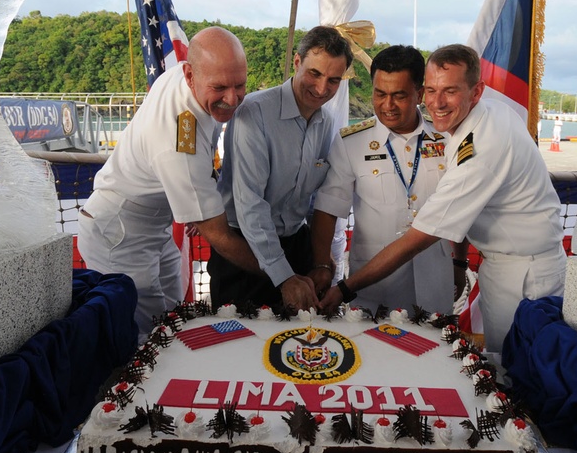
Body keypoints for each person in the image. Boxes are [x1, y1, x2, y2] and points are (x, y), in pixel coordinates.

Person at [320, 44, 567, 353]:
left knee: (514, 366)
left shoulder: (476, 149)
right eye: (434, 90)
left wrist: (344, 288)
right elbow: (328, 209)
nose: (437, 102)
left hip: (521, 275)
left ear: (476, 92)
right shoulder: (487, 116)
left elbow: (422, 235)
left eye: (450, 91)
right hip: (488, 270)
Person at [77, 27, 262, 341]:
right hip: (120, 233)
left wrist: (194, 202)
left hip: (154, 224)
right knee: (144, 336)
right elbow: (217, 234)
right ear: (190, 75)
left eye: (240, 85)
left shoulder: (184, 76)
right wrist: (281, 275)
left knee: (174, 314)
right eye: (220, 87)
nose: (232, 99)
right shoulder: (179, 142)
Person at [208, 25, 353, 310]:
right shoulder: (254, 113)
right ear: (297, 63)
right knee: (236, 348)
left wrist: (321, 258)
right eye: (315, 73)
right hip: (244, 250)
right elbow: (250, 204)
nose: (322, 89)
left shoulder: (326, 124)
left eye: (333, 80)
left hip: (296, 246)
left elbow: (314, 201)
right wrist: (284, 277)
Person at [310, 45, 454, 313]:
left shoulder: (447, 140)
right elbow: (328, 209)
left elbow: (460, 208)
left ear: (419, 94)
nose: (387, 106)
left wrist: (459, 264)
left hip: (435, 281)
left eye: (399, 96)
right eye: (380, 94)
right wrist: (321, 264)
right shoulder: (351, 142)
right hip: (372, 288)